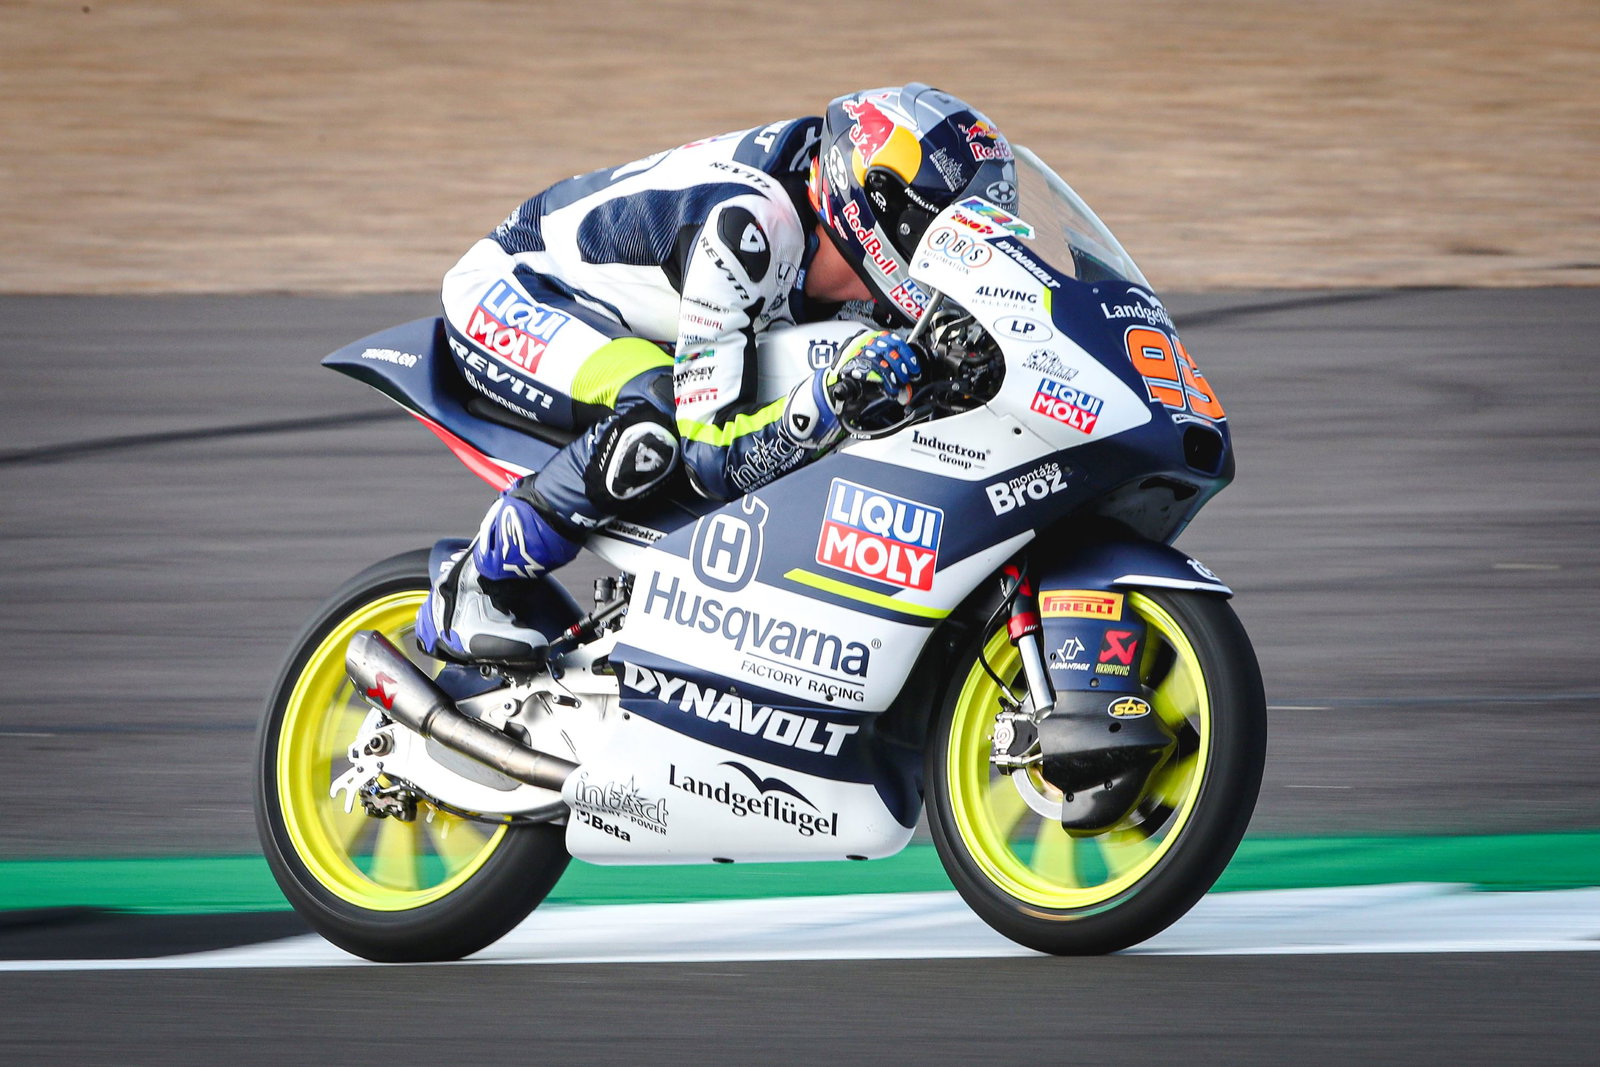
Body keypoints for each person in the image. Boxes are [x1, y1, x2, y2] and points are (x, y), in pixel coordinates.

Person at [418, 83, 1019, 664]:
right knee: (655, 421)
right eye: (953, 231)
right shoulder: (750, 230)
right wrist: (828, 401)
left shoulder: (852, 239)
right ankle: (472, 583)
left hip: (646, 312)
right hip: (518, 290)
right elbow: (711, 455)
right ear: (887, 215)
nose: (965, 252)